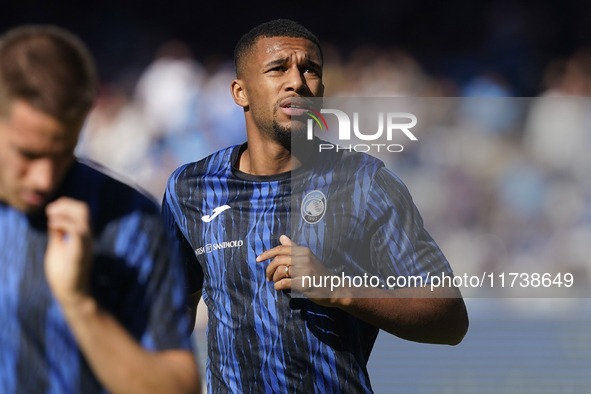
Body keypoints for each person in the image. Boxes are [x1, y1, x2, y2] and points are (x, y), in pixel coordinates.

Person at [163, 19, 468, 393]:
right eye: (278, 69)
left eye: (311, 70)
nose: (297, 82)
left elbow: (450, 319)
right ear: (240, 92)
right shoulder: (189, 189)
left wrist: (339, 289)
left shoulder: (364, 183)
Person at [0, 26, 200, 394]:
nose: (44, 178)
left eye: (63, 153)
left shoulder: (130, 220)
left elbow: (178, 387)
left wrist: (80, 305)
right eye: (27, 154)